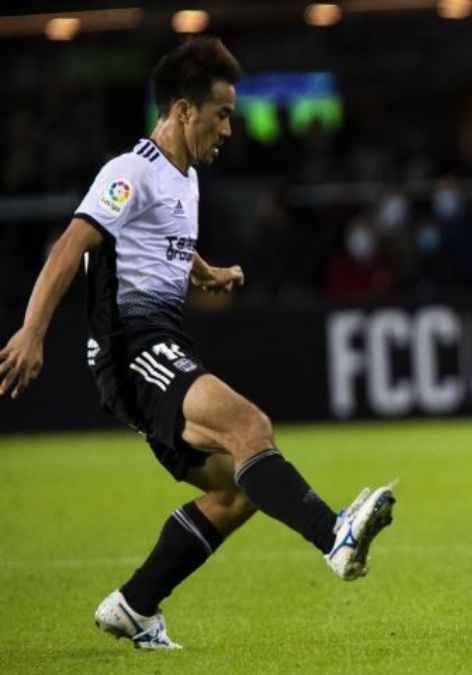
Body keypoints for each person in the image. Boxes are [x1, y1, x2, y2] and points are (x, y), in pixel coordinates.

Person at [0, 37, 395, 649]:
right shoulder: (129, 171)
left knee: (237, 491)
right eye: (222, 114)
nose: (229, 128)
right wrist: (32, 329)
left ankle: (134, 605)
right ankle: (335, 534)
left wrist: (204, 271)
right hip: (130, 346)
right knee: (249, 427)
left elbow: (159, 246)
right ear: (184, 111)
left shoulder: (183, 180)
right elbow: (72, 244)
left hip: (158, 341)